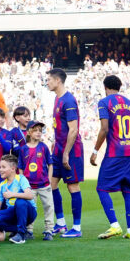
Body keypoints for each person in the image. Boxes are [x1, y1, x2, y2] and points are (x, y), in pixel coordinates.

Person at [91, 75, 130, 240]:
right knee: (128, 190)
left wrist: (95, 150)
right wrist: (128, 142)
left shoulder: (104, 102)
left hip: (114, 153)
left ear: (105, 87)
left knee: (102, 188)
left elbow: (104, 129)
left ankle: (114, 225)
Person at [47, 68, 84, 238]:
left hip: (71, 151)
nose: (47, 82)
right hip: (59, 149)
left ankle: (76, 227)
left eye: (49, 80)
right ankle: (60, 222)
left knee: (72, 186)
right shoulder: (57, 98)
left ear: (58, 81)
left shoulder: (68, 101)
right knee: (51, 184)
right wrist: (56, 142)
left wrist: (66, 153)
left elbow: (73, 130)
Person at [0, 154, 37, 245]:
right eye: (0, 167)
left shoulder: (21, 178)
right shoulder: (2, 184)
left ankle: (21, 235)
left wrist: (12, 194)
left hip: (29, 212)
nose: (0, 170)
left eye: (3, 167)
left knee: (20, 202)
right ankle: (17, 230)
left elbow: (30, 195)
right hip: (12, 213)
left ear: (13, 169)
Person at [18, 122, 54, 241]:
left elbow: (50, 164)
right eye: (36, 130)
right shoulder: (23, 149)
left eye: (40, 130)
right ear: (29, 132)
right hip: (29, 187)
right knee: (30, 208)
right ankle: (29, 230)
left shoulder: (43, 147)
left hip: (44, 185)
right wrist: (23, 183)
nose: (39, 132)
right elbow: (21, 168)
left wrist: (49, 179)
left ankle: (49, 230)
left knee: (48, 207)